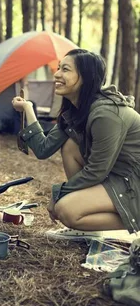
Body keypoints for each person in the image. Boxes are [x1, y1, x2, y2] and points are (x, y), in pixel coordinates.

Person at [12, 48, 140, 241]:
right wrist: (28, 109)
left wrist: (58, 194)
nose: (57, 74)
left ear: (86, 77)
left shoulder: (106, 114)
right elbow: (43, 149)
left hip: (133, 182)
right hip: (115, 176)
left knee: (66, 210)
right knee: (70, 146)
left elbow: (96, 171)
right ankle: (87, 220)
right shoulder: (76, 110)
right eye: (58, 68)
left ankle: (133, 218)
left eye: (65, 69)